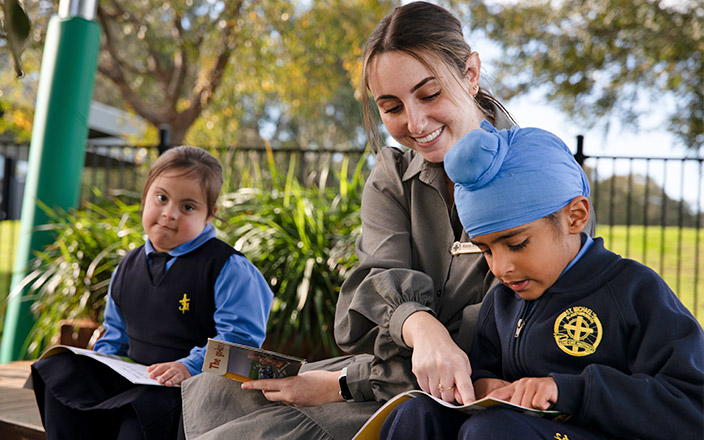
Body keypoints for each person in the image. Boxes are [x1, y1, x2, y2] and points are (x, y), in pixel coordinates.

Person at [181, 3, 594, 439]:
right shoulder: (392, 175)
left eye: (430, 94)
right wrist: (422, 328)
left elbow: (504, 347)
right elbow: (376, 287)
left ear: (471, 74)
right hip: (385, 374)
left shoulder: (543, 178)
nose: (415, 122)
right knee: (215, 387)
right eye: (392, 106)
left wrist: (343, 384)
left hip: (448, 398)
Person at [379, 123, 704, 439]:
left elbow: (692, 408)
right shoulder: (502, 301)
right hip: (510, 425)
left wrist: (571, 391)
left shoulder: (635, 291)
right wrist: (482, 384)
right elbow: (484, 369)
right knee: (417, 414)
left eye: (517, 244)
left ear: (575, 217)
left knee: (493, 430)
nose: (500, 268)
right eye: (486, 251)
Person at [30, 146, 274, 439]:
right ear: (145, 197)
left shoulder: (228, 268)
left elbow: (240, 342)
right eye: (161, 198)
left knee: (143, 409)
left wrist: (188, 366)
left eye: (188, 207)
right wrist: (101, 364)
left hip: (190, 392)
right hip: (137, 379)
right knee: (58, 371)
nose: (169, 214)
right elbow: (115, 335)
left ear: (210, 214)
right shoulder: (127, 265)